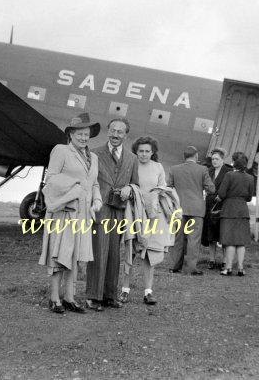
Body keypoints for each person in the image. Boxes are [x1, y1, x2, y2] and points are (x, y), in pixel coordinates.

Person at [39, 113, 102, 313]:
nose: (84, 137)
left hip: (83, 214)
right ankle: (54, 299)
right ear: (71, 134)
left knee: (75, 256)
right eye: (80, 133)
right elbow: (52, 178)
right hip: (64, 211)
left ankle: (69, 298)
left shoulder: (93, 157)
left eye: (87, 134)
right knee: (60, 255)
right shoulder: (61, 151)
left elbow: (95, 183)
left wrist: (97, 200)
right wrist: (73, 187)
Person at [85, 118, 138, 311]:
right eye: (113, 130)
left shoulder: (132, 158)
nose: (115, 135)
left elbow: (136, 185)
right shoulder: (94, 153)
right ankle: (93, 296)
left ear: (126, 135)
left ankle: (109, 296)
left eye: (120, 132)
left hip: (119, 211)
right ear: (108, 131)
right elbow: (88, 181)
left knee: (114, 255)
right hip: (100, 209)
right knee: (98, 252)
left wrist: (129, 188)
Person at [119, 136, 176, 305]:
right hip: (133, 212)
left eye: (147, 151)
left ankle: (148, 292)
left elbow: (162, 188)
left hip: (153, 215)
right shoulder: (130, 164)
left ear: (153, 152)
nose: (144, 154)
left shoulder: (158, 167)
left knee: (150, 253)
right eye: (141, 151)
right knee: (131, 251)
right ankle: (124, 290)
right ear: (136, 151)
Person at [168, 146, 215, 275]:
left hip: (179, 208)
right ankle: (190, 268)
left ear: (184, 156)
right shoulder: (203, 169)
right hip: (197, 209)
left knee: (178, 238)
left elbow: (168, 187)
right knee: (194, 239)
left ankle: (174, 266)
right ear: (196, 156)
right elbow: (211, 189)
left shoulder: (174, 169)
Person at [216, 152, 255, 276]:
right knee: (241, 241)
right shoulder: (250, 178)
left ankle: (228, 268)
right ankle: (240, 268)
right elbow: (249, 197)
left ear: (233, 162)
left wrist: (218, 198)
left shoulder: (229, 175)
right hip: (243, 210)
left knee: (230, 241)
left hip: (229, 210)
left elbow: (221, 194)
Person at [203, 148, 232, 269]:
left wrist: (221, 196)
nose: (214, 161)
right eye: (213, 159)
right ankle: (211, 259)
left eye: (217, 159)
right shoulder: (209, 171)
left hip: (223, 205)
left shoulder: (228, 172)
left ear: (222, 160)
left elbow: (230, 188)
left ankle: (225, 261)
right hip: (209, 204)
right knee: (211, 234)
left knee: (222, 233)